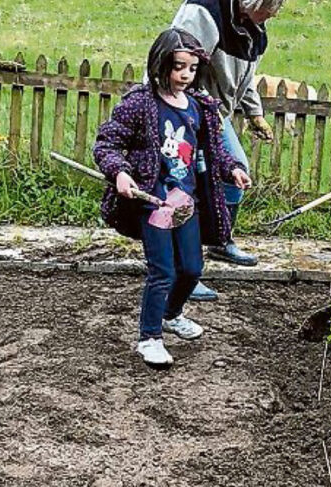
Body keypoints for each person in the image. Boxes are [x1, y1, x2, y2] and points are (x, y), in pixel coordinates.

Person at [93, 29, 247, 368]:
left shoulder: (198, 107)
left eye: (192, 69)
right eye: (178, 67)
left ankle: (171, 314)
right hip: (154, 203)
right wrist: (119, 172)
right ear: (160, 63)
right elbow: (106, 144)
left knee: (191, 269)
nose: (185, 75)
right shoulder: (140, 103)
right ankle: (149, 338)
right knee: (162, 271)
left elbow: (214, 151)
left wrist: (232, 168)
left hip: (185, 204)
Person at [171, 0, 285, 300]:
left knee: (235, 174)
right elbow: (178, 64)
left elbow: (246, 80)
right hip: (181, 111)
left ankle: (220, 240)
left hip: (213, 115)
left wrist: (254, 114)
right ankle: (183, 271)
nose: (270, 17)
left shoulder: (254, 32)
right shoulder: (205, 12)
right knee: (189, 189)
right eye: (267, 9)